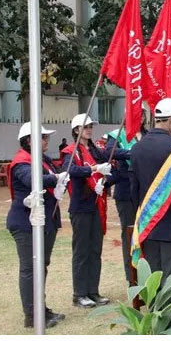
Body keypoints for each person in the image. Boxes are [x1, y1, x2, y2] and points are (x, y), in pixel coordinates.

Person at [129, 99, 171, 325]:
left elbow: (134, 191)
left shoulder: (137, 148)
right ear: (170, 120)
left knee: (153, 277)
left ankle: (155, 319)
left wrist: (143, 218)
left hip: (148, 225)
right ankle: (170, 323)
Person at [6, 122, 68, 328]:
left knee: (42, 266)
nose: (46, 141)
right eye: (42, 137)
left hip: (44, 221)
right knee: (30, 269)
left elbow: (55, 173)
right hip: (25, 222)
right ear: (29, 140)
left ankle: (40, 307)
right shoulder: (22, 162)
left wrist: (61, 179)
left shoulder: (43, 159)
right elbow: (33, 179)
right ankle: (32, 315)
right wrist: (55, 179)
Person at [62, 113, 114, 309]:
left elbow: (108, 162)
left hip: (96, 205)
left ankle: (93, 290)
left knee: (95, 250)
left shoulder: (94, 149)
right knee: (82, 251)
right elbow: (70, 171)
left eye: (91, 126)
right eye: (85, 127)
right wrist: (92, 169)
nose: (89, 129)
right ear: (76, 130)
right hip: (81, 207)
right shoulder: (71, 151)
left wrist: (106, 176)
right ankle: (80, 293)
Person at [105, 106, 148, 284]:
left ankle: (147, 275)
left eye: (143, 113)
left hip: (147, 190)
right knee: (129, 234)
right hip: (126, 191)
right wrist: (132, 152)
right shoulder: (117, 135)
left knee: (147, 233)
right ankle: (132, 277)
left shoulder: (149, 135)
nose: (140, 117)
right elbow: (109, 152)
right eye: (136, 113)